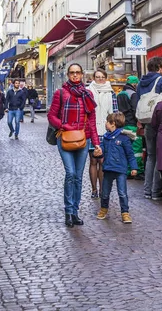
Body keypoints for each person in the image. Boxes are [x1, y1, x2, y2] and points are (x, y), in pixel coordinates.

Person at [48, 63, 101, 228]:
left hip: (83, 140)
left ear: (82, 74)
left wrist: (97, 143)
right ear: (68, 75)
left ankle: (75, 212)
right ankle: (68, 211)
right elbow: (51, 116)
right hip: (64, 138)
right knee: (70, 173)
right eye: (72, 73)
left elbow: (91, 120)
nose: (75, 76)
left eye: (78, 73)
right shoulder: (61, 93)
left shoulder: (87, 94)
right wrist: (64, 125)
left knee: (78, 176)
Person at [136, 56, 162, 200]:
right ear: (159, 67)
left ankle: (147, 190)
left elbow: (137, 101)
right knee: (159, 155)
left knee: (150, 156)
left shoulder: (140, 82)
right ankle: (156, 191)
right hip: (160, 122)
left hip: (146, 122)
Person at [97, 112, 138, 224]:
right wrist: (98, 153)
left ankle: (125, 212)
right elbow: (102, 151)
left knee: (122, 192)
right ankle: (103, 209)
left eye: (107, 122)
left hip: (120, 170)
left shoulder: (124, 138)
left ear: (113, 124)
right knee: (105, 192)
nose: (105, 124)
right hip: (108, 168)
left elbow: (130, 154)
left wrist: (134, 167)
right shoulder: (106, 137)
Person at [87, 69, 118, 198]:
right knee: (93, 161)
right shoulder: (88, 92)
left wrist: (113, 129)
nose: (100, 79)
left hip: (105, 132)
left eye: (102, 77)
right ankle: (94, 189)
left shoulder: (111, 93)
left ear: (106, 78)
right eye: (97, 77)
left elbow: (115, 113)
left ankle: (102, 190)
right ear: (94, 78)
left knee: (103, 161)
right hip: (92, 130)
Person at [117, 76, 144, 179]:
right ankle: (137, 171)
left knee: (126, 148)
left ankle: (127, 170)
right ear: (134, 84)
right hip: (133, 125)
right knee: (136, 149)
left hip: (123, 125)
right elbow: (135, 110)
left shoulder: (120, 94)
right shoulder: (133, 94)